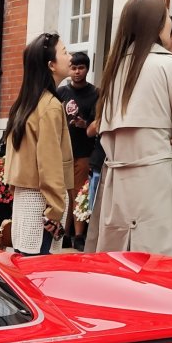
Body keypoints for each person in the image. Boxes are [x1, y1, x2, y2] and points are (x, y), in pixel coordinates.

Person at [86, 0, 172, 263]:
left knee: (118, 265)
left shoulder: (112, 71)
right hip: (157, 179)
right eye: (167, 18)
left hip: (117, 184)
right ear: (157, 25)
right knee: (161, 267)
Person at [3, 32, 75, 256]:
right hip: (44, 205)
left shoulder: (25, 104)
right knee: (39, 276)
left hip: (26, 202)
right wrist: (56, 210)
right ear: (51, 64)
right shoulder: (50, 106)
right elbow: (50, 164)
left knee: (24, 269)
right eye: (65, 52)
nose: (70, 57)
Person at [56, 50, 98, 251]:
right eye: (73, 68)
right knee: (64, 194)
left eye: (81, 68)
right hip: (63, 152)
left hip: (83, 151)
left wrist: (84, 124)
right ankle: (64, 233)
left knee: (79, 194)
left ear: (87, 69)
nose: (76, 72)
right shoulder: (61, 92)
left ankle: (79, 236)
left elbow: (96, 123)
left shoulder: (95, 93)